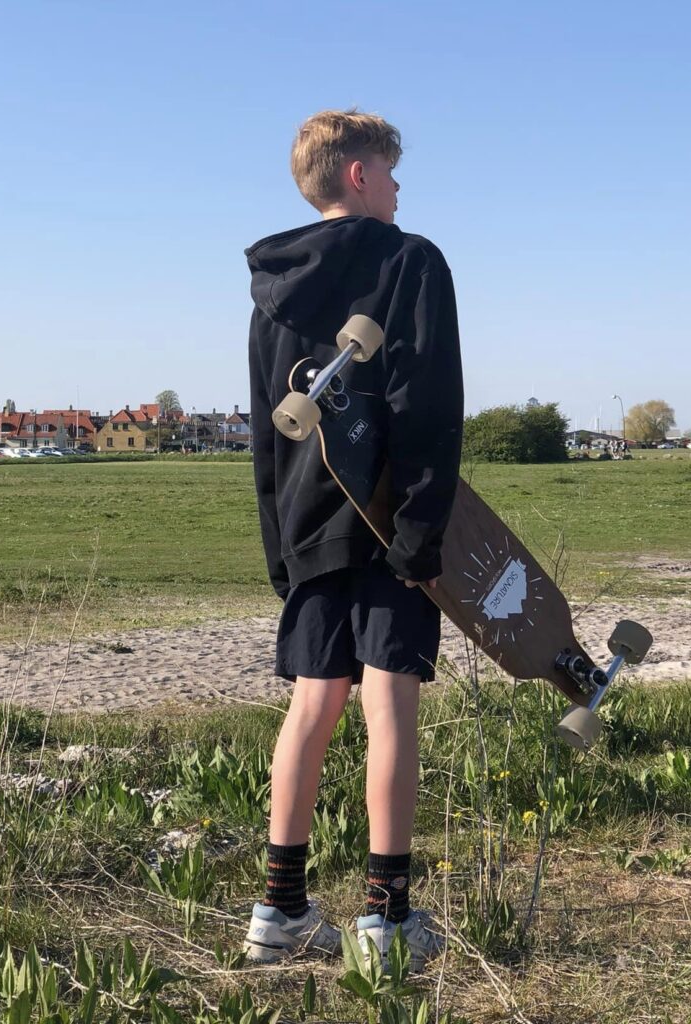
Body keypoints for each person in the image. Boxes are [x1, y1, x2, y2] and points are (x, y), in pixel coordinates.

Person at [242, 109, 464, 970]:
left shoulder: (271, 286)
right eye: (392, 170)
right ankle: (385, 919)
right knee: (388, 702)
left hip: (304, 523)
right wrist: (421, 533)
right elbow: (427, 403)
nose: (402, 188)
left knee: (311, 705)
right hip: (383, 521)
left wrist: (279, 544)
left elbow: (268, 431)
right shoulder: (411, 261)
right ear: (361, 176)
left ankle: (280, 911)